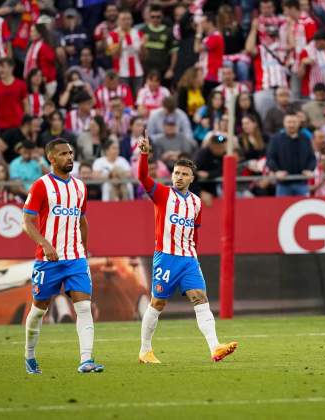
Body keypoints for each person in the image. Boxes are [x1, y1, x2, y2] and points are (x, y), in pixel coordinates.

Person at [136, 132, 238, 364]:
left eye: (184, 174)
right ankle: (145, 351)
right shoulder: (162, 194)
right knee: (157, 303)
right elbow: (143, 177)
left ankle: (215, 347)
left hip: (189, 259)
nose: (179, 177)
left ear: (192, 178)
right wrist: (144, 154)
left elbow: (194, 230)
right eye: (176, 173)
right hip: (167, 258)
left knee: (200, 298)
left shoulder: (196, 202)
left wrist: (192, 255)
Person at [21, 138, 104, 374]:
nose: (69, 157)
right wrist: (45, 244)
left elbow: (82, 220)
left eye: (70, 152)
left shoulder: (80, 187)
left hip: (75, 259)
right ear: (52, 158)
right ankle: (29, 355)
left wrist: (84, 251)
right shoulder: (41, 186)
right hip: (48, 261)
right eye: (63, 154)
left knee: (84, 308)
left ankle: (86, 360)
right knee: (38, 311)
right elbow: (26, 222)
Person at [266, 112, 316, 196]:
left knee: (304, 208)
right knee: (282, 208)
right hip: (283, 184)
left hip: (302, 183)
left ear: (299, 123)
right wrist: (276, 171)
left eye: (294, 122)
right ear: (284, 123)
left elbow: (312, 158)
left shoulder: (305, 139)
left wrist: (310, 169)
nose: (291, 125)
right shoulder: (276, 139)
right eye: (289, 122)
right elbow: (270, 158)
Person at [106, 9, 145, 95]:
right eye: (123, 19)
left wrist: (143, 47)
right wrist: (120, 42)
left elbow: (144, 57)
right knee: (124, 97)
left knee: (138, 97)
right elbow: (114, 56)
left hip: (138, 71)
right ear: (118, 21)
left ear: (132, 20)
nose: (126, 21)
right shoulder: (112, 35)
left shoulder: (139, 34)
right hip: (121, 73)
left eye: (128, 19)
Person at [138, 4, 178, 82]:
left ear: (162, 16)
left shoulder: (168, 32)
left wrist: (171, 69)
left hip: (163, 70)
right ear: (149, 16)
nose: (155, 19)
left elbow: (174, 53)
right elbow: (139, 52)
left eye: (158, 17)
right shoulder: (143, 31)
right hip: (146, 69)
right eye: (153, 17)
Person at [195, 12, 225, 98]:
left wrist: (198, 33)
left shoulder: (216, 37)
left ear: (210, 23)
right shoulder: (208, 37)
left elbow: (196, 49)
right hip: (206, 74)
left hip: (212, 74)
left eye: (203, 22)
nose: (200, 25)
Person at [24, 23, 57, 97]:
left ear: (40, 33)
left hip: (46, 82)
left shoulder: (44, 47)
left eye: (33, 31)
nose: (31, 33)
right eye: (30, 31)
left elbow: (46, 64)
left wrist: (43, 78)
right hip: (36, 81)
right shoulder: (33, 46)